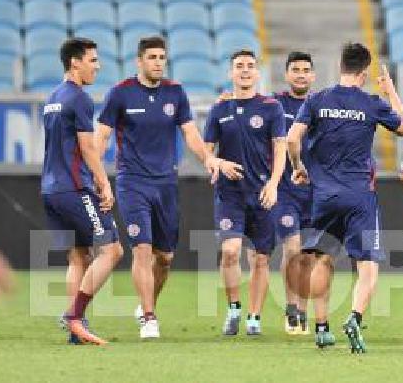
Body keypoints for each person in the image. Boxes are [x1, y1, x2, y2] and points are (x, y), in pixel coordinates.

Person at [95, 36, 233, 339]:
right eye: (152, 57)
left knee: (165, 258)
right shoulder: (120, 94)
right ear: (139, 61)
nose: (158, 62)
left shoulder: (176, 92)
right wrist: (98, 175)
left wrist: (209, 158)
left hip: (166, 183)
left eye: (162, 57)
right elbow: (101, 136)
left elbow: (190, 133)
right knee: (141, 250)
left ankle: (148, 303)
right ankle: (148, 317)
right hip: (132, 182)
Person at [287, 43, 403, 353]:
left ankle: (321, 328)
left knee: (323, 260)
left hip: (324, 195)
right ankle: (354, 318)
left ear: (340, 67)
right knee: (368, 267)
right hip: (359, 197)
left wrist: (298, 167)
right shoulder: (371, 102)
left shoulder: (317, 100)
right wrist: (390, 91)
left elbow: (291, 138)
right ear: (364, 73)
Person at [43, 38, 124, 345]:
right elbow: (87, 147)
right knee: (112, 250)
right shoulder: (79, 98)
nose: (97, 65)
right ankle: (74, 316)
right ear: (75, 62)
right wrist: (104, 183)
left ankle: (75, 329)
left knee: (78, 256)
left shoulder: (53, 97)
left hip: (50, 190)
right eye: (92, 60)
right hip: (74, 189)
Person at [204, 49, 286, 336]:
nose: (245, 70)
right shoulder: (219, 110)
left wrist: (274, 183)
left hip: (262, 192)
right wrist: (215, 162)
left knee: (260, 258)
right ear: (231, 73)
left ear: (257, 73)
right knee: (230, 251)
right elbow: (206, 151)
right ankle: (234, 308)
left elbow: (280, 149)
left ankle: (254, 317)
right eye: (239, 66)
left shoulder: (271, 108)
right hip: (230, 195)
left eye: (250, 66)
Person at [271, 52, 317, 335]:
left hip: (316, 192)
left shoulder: (322, 105)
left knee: (310, 257)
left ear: (313, 76)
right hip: (286, 191)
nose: (301, 74)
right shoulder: (274, 104)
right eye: (295, 70)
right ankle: (291, 308)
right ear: (287, 75)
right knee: (292, 249)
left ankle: (303, 309)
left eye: (306, 70)